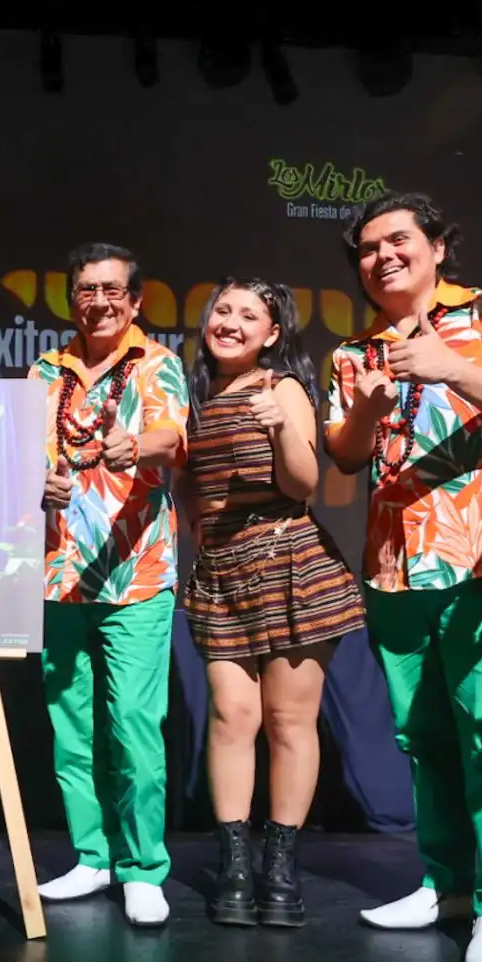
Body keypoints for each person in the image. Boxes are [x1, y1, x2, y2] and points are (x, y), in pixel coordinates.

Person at [325, 192, 482, 962]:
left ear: (438, 246)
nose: (383, 257)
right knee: (423, 738)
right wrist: (368, 411)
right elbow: (344, 456)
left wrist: (450, 366)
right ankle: (446, 884)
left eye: (398, 241)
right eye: (368, 249)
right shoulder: (353, 351)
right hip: (391, 568)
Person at [181, 280, 365, 928]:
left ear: (273, 333)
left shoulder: (281, 388)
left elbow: (305, 483)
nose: (229, 322)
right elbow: (187, 487)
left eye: (247, 315)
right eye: (221, 311)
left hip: (288, 565)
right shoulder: (194, 396)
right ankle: (234, 864)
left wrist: (284, 428)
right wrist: (198, 537)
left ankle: (279, 869)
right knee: (232, 716)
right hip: (221, 576)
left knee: (289, 722)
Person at [31, 243, 189, 928]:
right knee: (71, 730)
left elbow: (171, 435)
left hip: (136, 573)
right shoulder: (44, 371)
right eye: (87, 289)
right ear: (73, 297)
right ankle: (91, 857)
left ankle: (142, 866)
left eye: (112, 290)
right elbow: (19, 454)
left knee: (132, 726)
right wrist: (33, 478)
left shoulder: (156, 364)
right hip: (54, 574)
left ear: (135, 300)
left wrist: (138, 447)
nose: (99, 301)